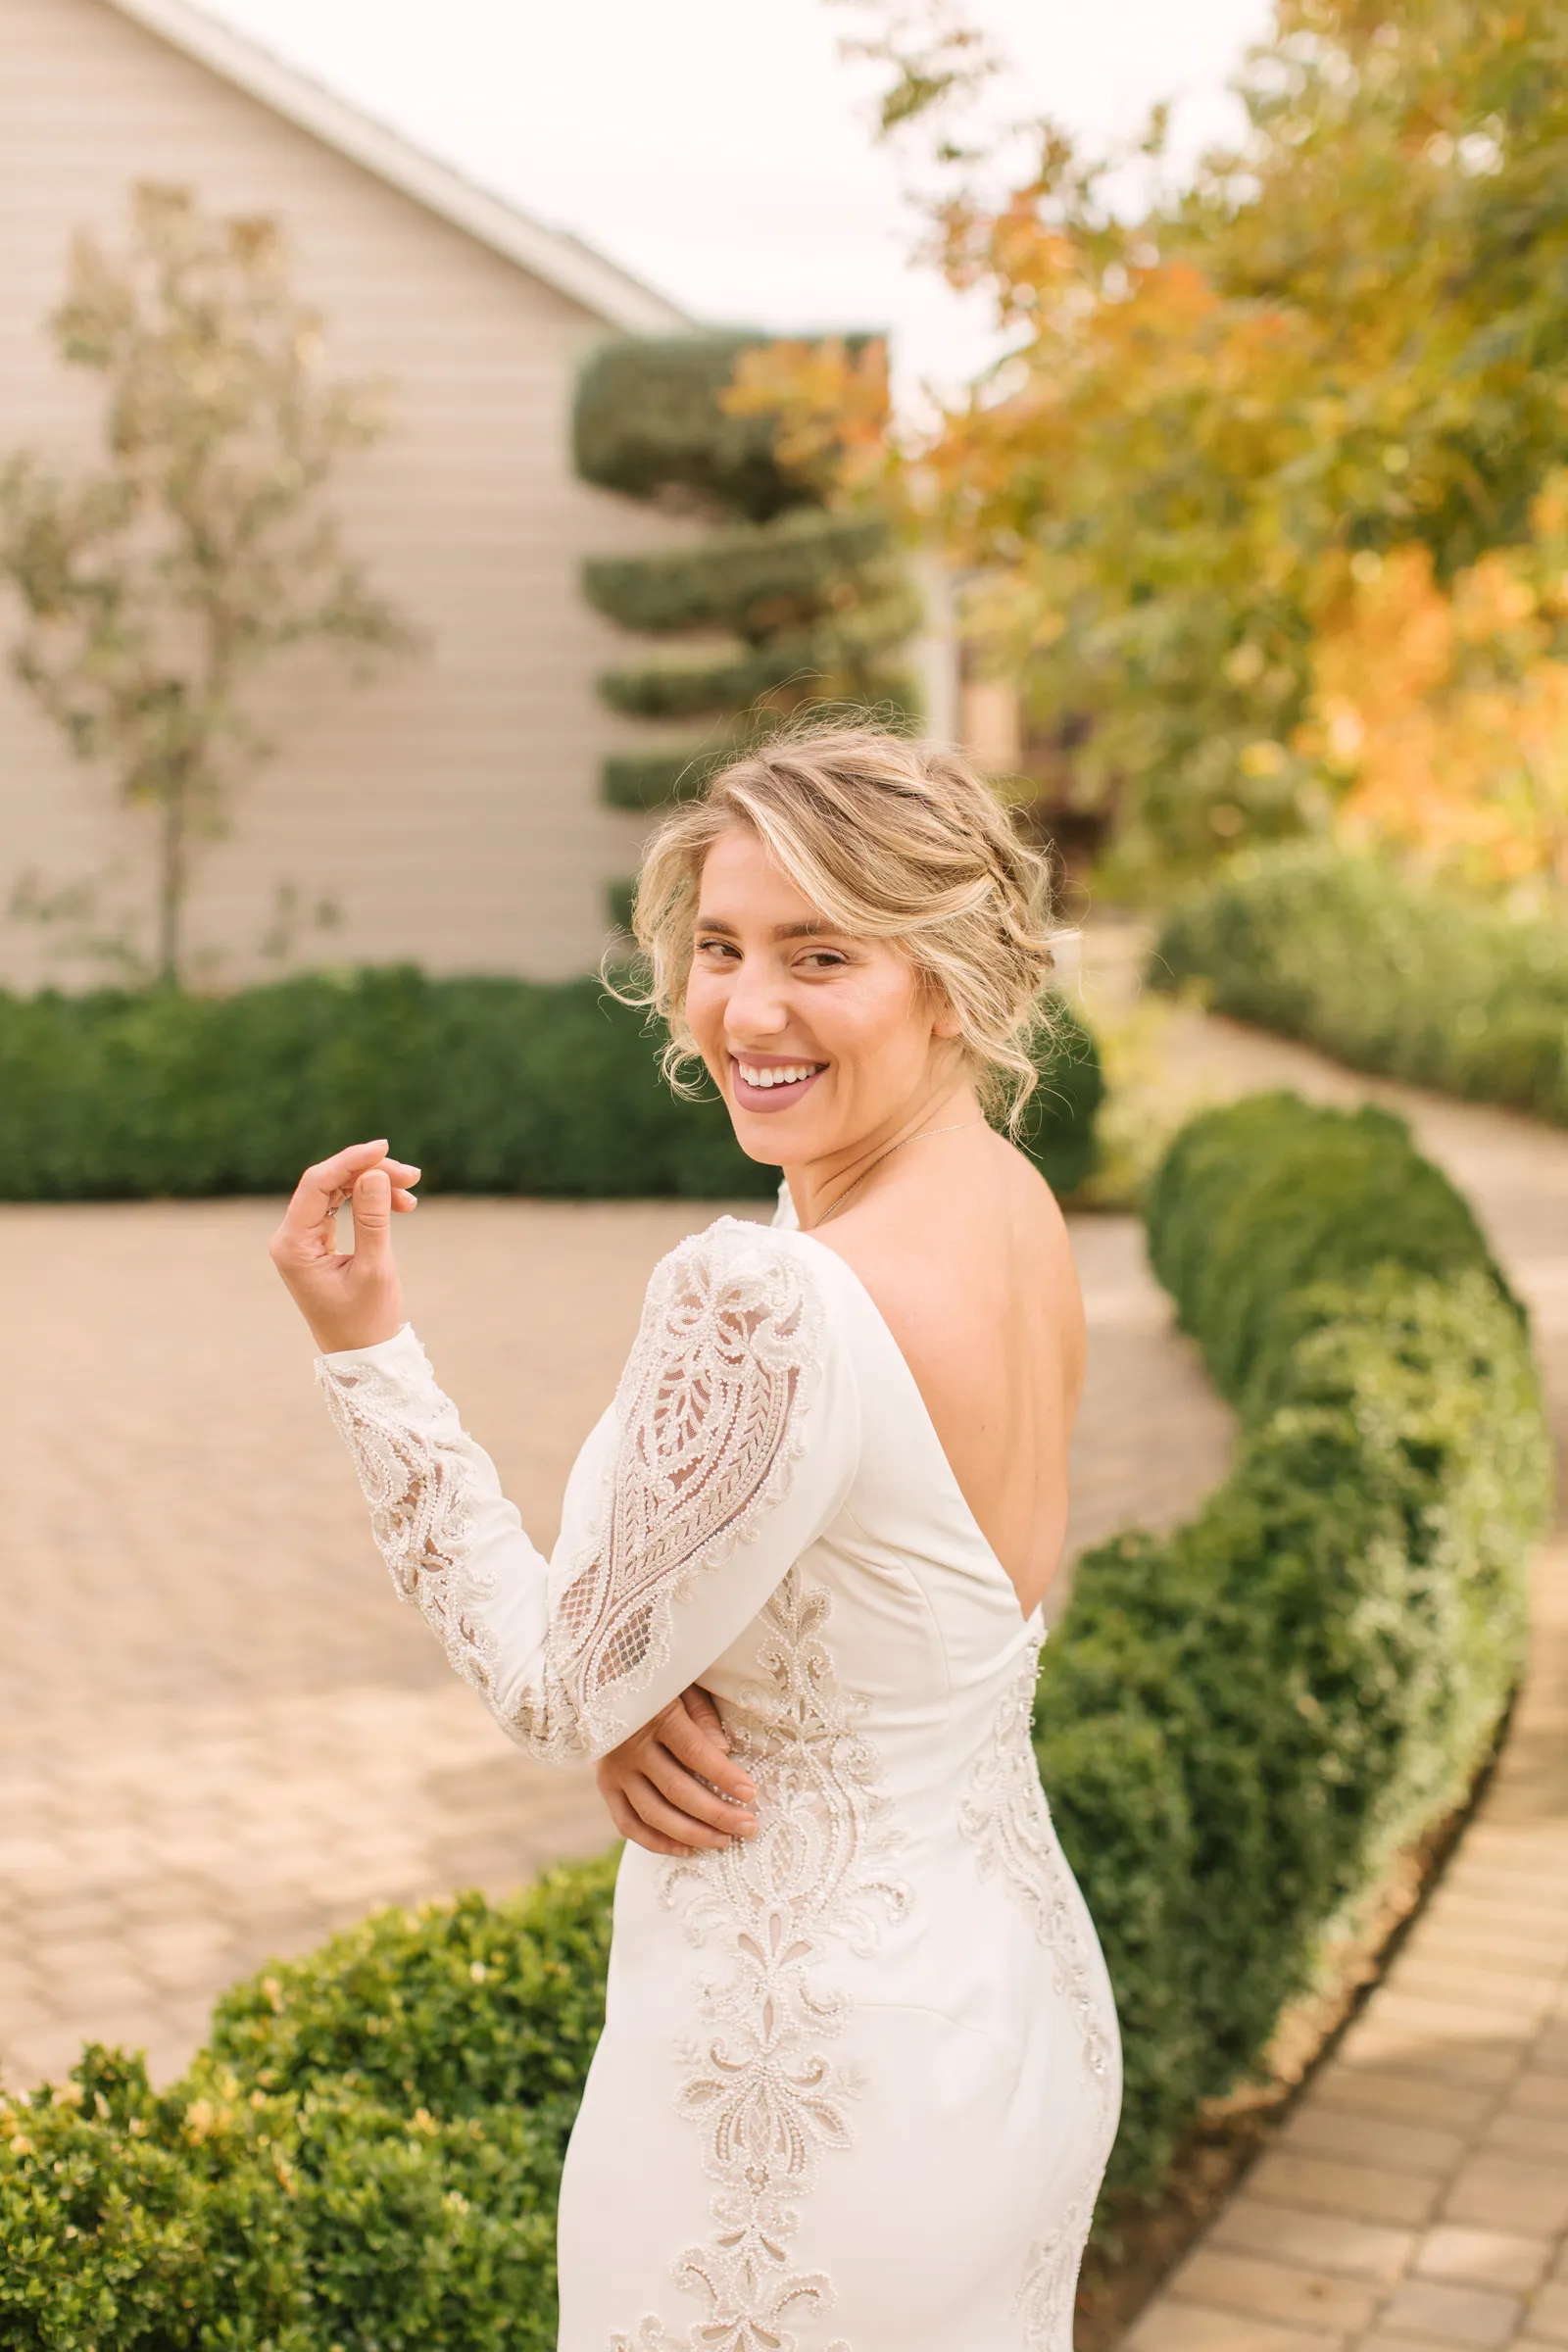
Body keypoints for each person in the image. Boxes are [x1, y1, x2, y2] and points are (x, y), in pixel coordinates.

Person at [269, 723, 1121, 2351]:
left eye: (822, 954)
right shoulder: (1007, 1201)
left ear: (945, 976)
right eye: (719, 948)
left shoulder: (761, 1293)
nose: (746, 1010)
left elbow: (548, 1689)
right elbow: (891, 1586)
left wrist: (364, 1347)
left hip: (794, 2089)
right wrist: (652, 1668)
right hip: (1010, 2011)